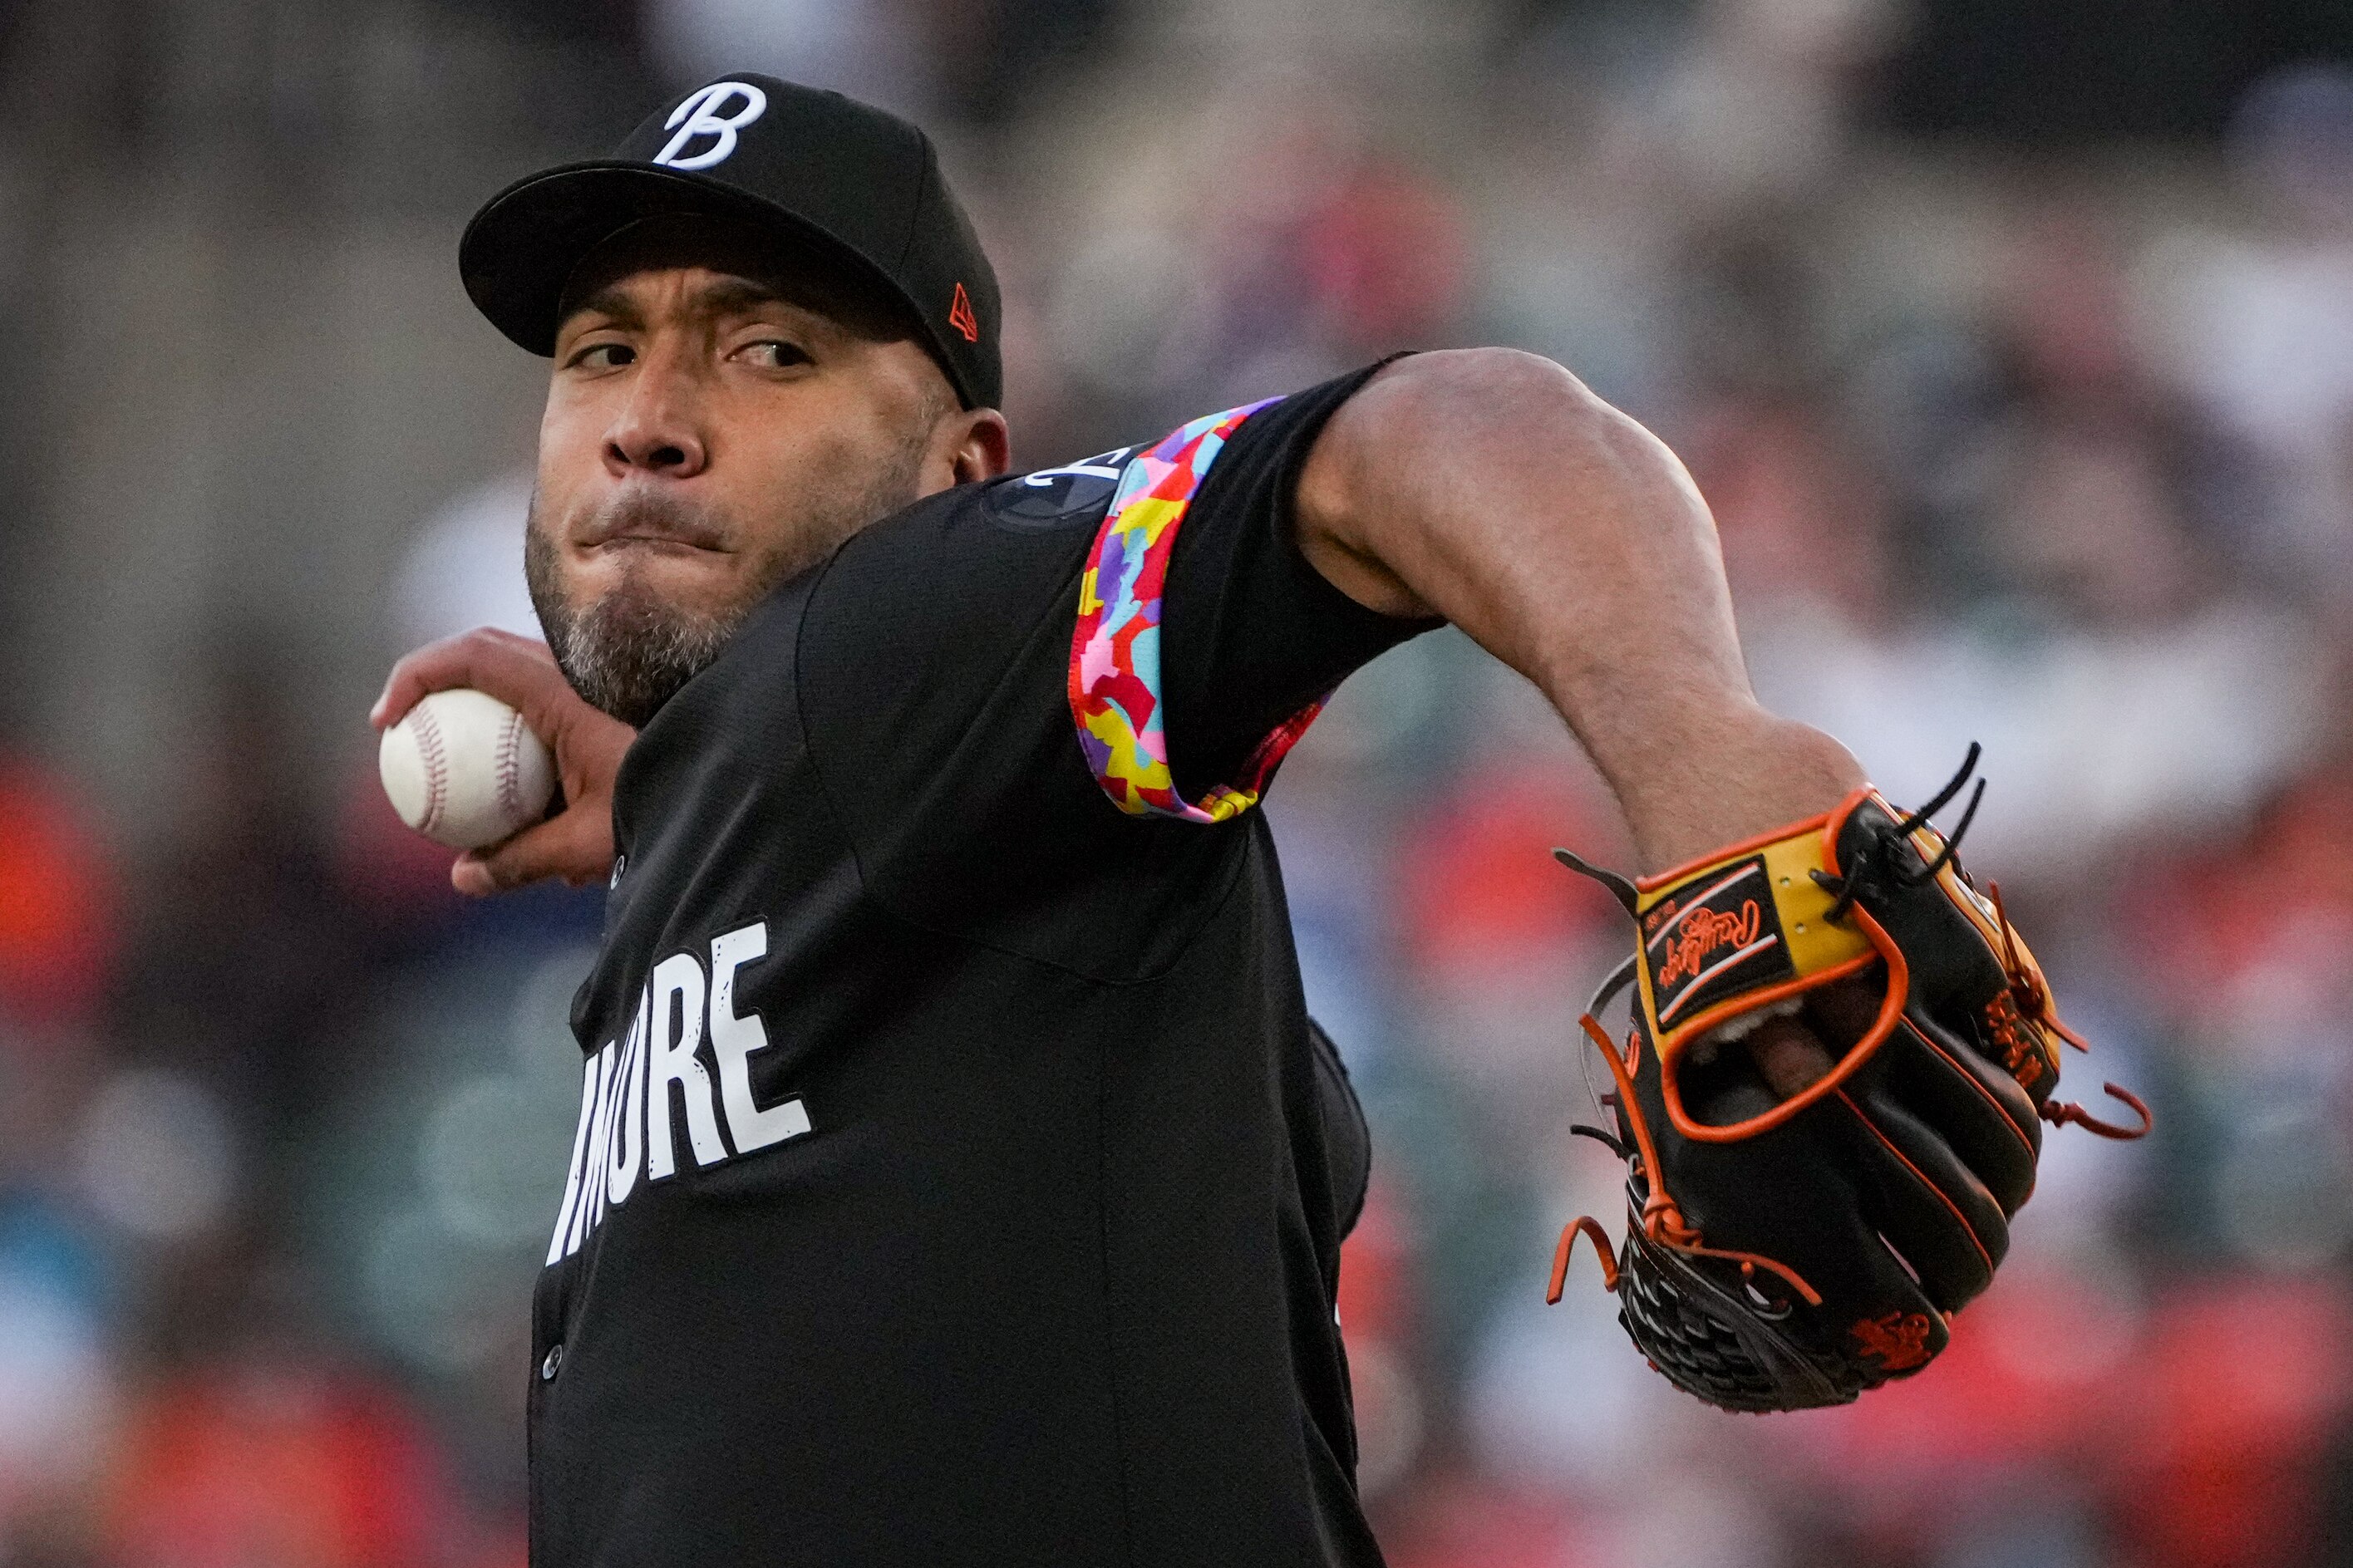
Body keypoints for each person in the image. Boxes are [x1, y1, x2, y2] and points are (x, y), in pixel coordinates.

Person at [373, 73, 1858, 1566]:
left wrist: (1711, 776)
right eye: (601, 351)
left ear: (962, 477)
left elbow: (1461, 424)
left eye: (771, 350)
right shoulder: (865, 804)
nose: (646, 423)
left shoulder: (899, 637)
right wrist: (679, 805)